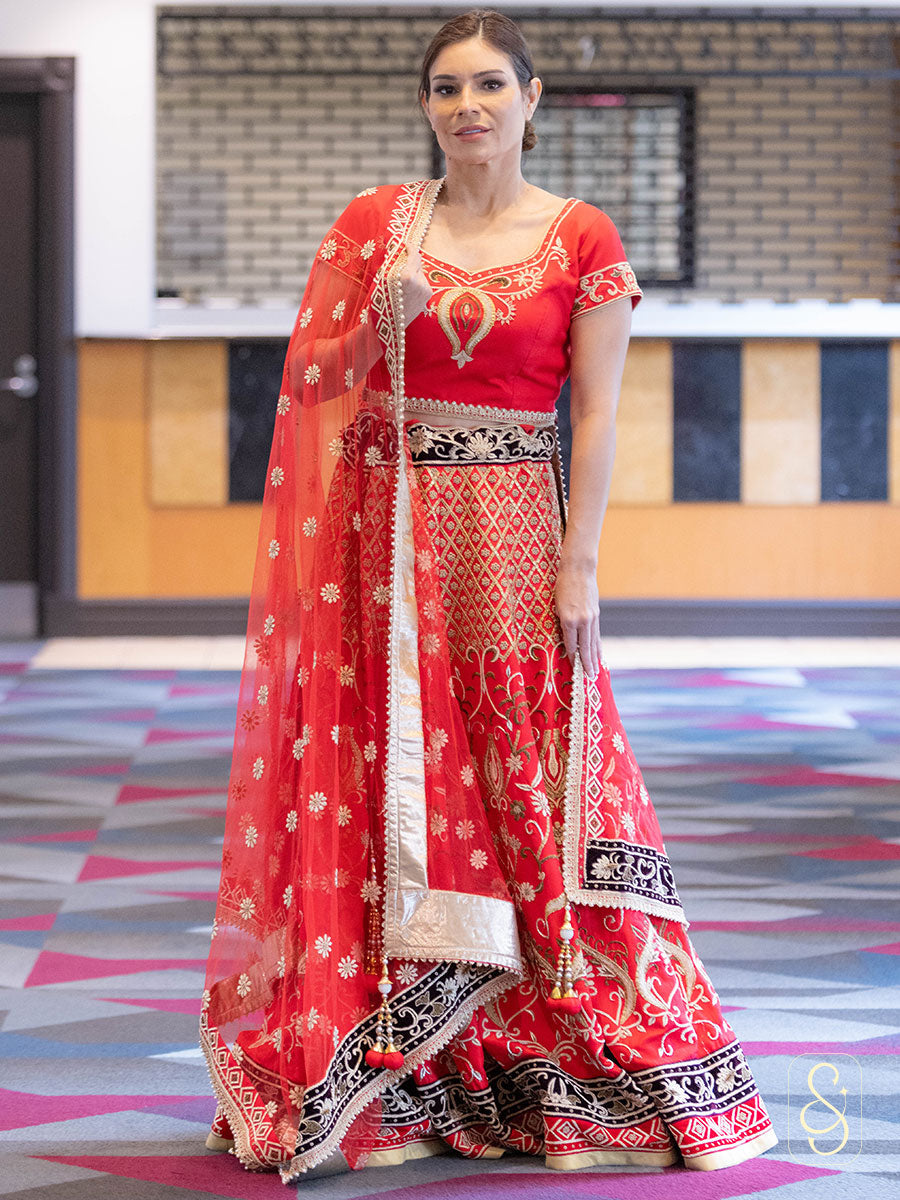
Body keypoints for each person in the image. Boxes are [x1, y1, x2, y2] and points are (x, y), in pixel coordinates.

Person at [200, 8, 779, 1181]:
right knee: (384, 767)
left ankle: (540, 1041)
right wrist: (375, 324)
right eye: (446, 88)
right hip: (385, 535)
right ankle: (401, 1069)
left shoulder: (580, 237)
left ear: (532, 98)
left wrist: (580, 561)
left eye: (488, 86)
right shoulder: (377, 226)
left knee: (519, 763)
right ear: (426, 106)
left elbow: (599, 414)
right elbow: (308, 377)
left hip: (513, 533)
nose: (467, 106)